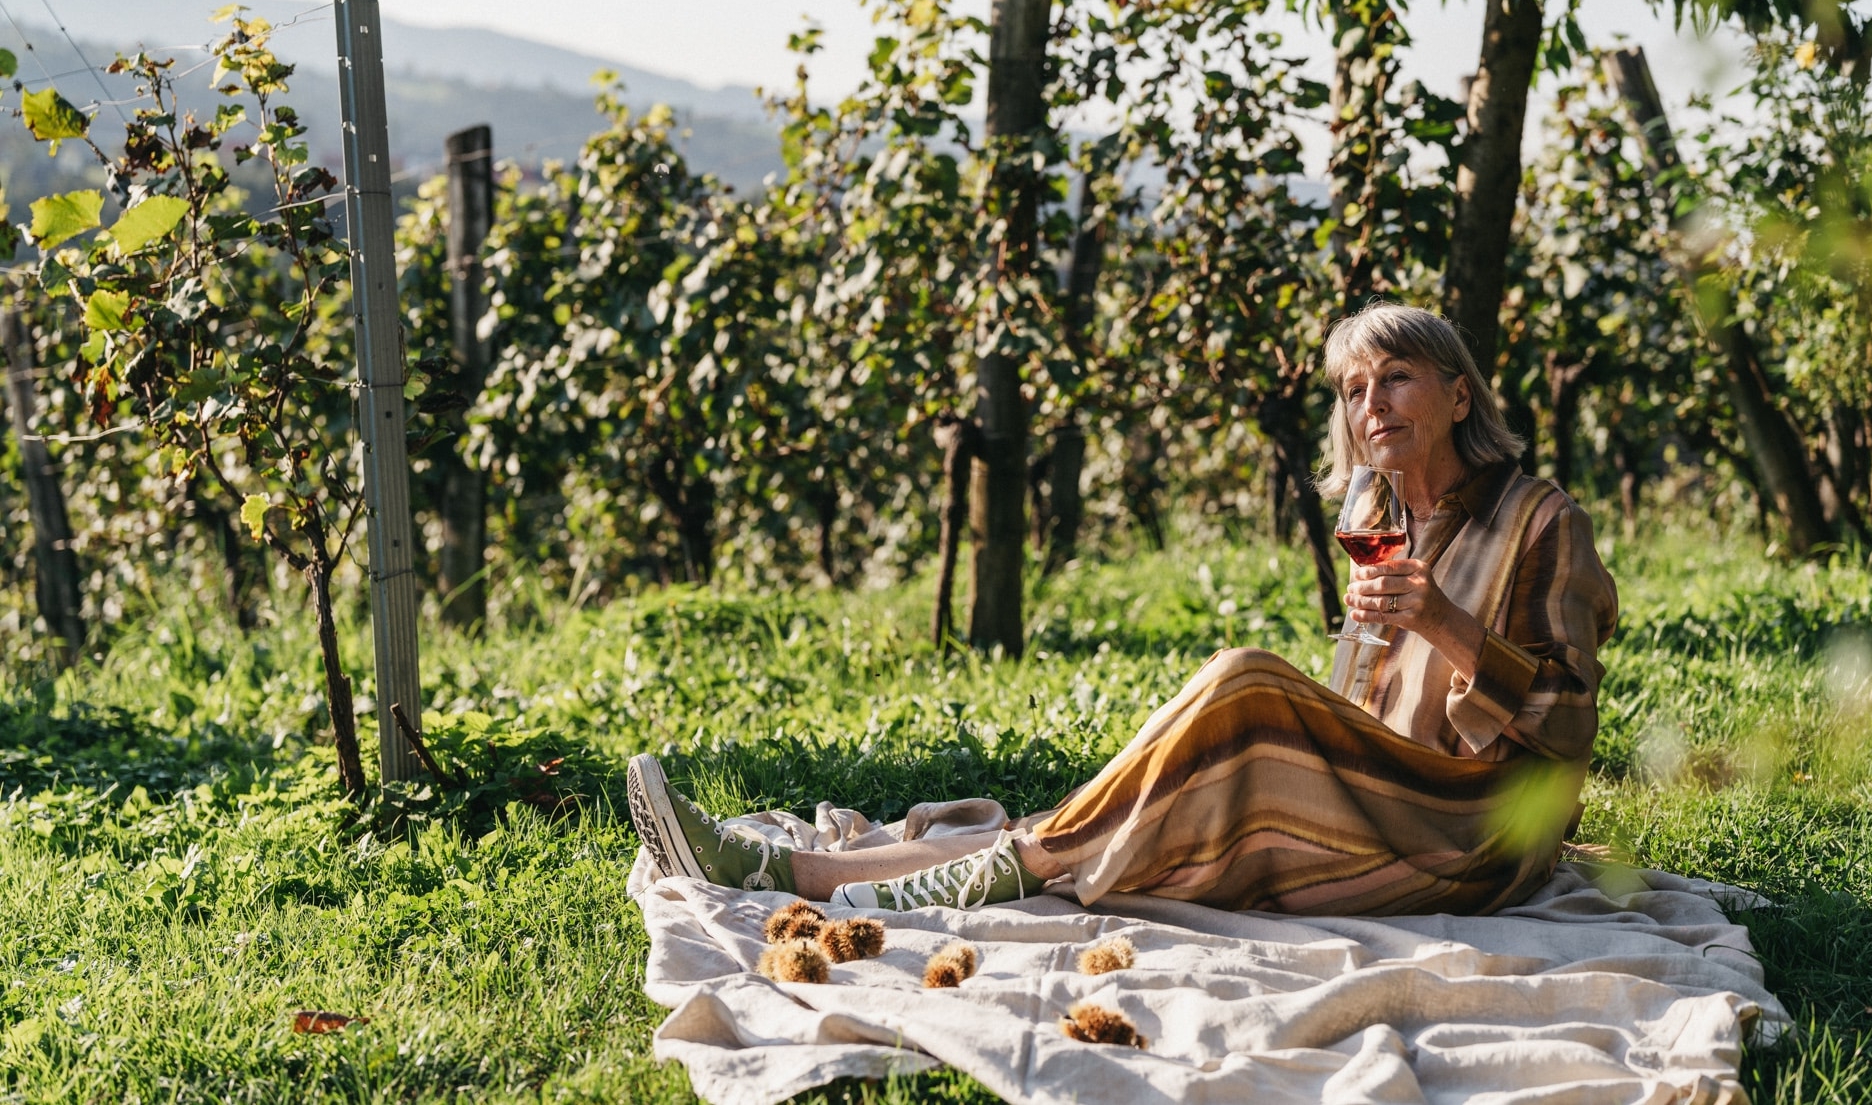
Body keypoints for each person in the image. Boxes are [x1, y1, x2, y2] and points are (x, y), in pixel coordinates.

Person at [627, 303, 1617, 918]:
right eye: (1353, 390)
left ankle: (880, 872)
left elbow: (1566, 730)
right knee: (1149, 791)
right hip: (1370, 798)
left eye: (1394, 377)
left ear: (1455, 393)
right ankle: (783, 868)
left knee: (1241, 687)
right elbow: (1357, 702)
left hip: (1472, 832)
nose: (1370, 407)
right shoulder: (1383, 515)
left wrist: (1442, 623)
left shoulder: (1540, 523)